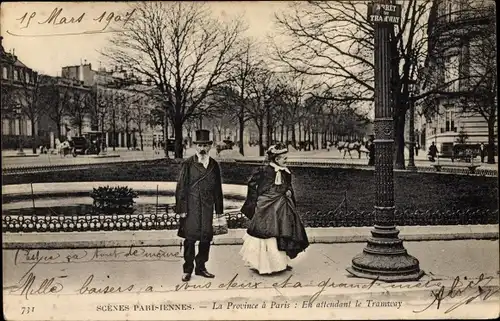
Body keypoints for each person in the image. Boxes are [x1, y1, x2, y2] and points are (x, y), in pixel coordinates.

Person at [239, 143, 309, 275]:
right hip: (266, 206)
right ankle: (264, 265)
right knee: (265, 232)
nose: (286, 161)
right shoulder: (264, 171)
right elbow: (252, 184)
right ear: (277, 159)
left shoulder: (286, 172)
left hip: (282, 205)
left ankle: (281, 263)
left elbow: (288, 186)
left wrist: (288, 191)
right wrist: (257, 200)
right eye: (284, 158)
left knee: (284, 230)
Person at [175, 129, 224, 282]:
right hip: (192, 208)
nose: (202, 148)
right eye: (199, 145)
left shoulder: (214, 165)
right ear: (195, 146)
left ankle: (201, 267)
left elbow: (218, 188)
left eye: (205, 145)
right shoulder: (188, 164)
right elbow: (181, 187)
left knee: (206, 238)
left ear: (210, 146)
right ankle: (187, 269)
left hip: (208, 207)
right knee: (190, 239)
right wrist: (181, 209)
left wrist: (219, 210)